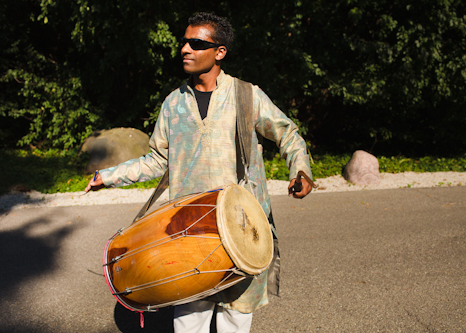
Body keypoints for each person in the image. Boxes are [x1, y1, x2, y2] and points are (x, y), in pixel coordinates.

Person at [86, 12, 313, 333]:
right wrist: (106, 176)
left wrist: (300, 170)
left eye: (196, 43)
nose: (185, 49)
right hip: (187, 228)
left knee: (236, 316)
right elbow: (155, 159)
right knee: (190, 320)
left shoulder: (246, 95)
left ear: (219, 51)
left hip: (241, 226)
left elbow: (287, 134)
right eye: (184, 42)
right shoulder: (173, 104)